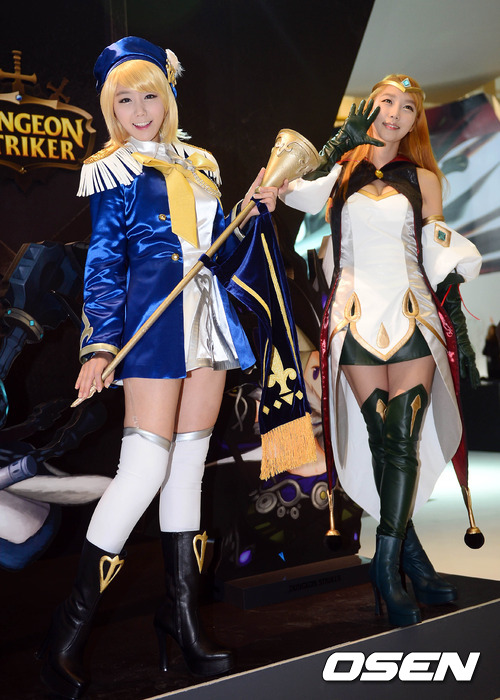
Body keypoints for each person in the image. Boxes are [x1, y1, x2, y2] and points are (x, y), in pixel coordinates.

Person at [37, 36, 284, 699]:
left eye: (150, 95)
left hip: (206, 319)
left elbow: (218, 254)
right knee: (144, 468)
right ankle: (65, 632)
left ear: (168, 96)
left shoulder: (201, 163)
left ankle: (180, 618)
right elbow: (103, 260)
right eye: (125, 100)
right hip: (151, 324)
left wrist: (249, 215)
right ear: (109, 108)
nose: (140, 110)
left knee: (186, 469)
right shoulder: (111, 168)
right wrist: (98, 345)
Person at [280, 74, 482, 627]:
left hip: (412, 313)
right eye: (386, 101)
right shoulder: (339, 170)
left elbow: (435, 248)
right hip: (354, 316)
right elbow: (292, 192)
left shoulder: (424, 178)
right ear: (368, 106)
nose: (394, 113)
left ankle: (385, 569)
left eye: (407, 107)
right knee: (380, 441)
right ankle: (414, 566)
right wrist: (337, 145)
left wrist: (456, 287)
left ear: (415, 121)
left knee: (401, 439)